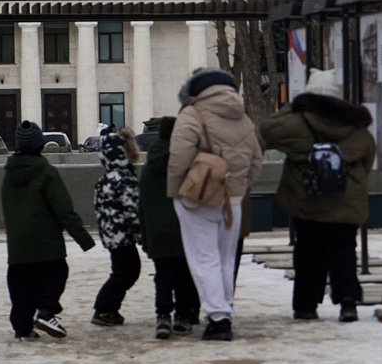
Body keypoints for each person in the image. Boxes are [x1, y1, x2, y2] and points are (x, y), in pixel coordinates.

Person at [258, 88, 377, 322]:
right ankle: (348, 302)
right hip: (346, 201)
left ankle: (306, 305)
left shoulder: (297, 123)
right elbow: (367, 158)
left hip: (307, 199)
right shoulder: (356, 126)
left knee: (307, 251)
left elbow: (266, 130)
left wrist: (293, 106)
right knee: (344, 250)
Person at [165, 67, 262, 341]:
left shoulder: (191, 114)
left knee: (203, 258)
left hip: (198, 197)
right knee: (225, 258)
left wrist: (176, 193)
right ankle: (224, 311)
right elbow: (256, 161)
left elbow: (178, 158)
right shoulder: (242, 118)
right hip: (233, 199)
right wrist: (239, 188)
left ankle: (217, 317)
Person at [2, 120, 92, 339]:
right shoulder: (46, 172)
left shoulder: (9, 174)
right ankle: (46, 312)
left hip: (18, 245)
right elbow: (63, 208)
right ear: (40, 145)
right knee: (56, 273)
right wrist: (83, 238)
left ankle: (22, 327)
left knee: (21, 284)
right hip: (46, 242)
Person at [139, 115, 198, 340]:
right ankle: (183, 318)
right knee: (183, 275)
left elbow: (142, 204)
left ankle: (162, 316)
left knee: (162, 275)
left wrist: (145, 235)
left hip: (158, 231)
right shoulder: (186, 163)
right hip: (184, 228)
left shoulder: (148, 166)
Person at [91, 124, 145, 325]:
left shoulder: (104, 180)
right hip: (124, 235)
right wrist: (142, 236)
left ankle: (107, 309)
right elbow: (133, 211)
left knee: (123, 271)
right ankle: (104, 309)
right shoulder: (125, 179)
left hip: (111, 235)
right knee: (127, 272)